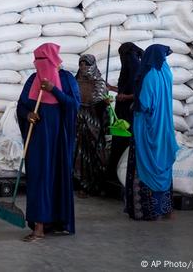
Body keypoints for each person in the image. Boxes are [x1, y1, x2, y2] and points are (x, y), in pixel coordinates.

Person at [17, 43, 80, 242]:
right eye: (37, 61)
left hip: (59, 142)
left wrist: (55, 91)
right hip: (37, 142)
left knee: (57, 178)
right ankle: (39, 226)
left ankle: (56, 221)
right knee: (39, 179)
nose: (38, 65)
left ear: (52, 61)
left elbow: (74, 106)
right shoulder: (32, 80)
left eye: (42, 61)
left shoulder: (66, 79)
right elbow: (21, 106)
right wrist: (29, 115)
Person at [124, 45, 178, 221]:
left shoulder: (150, 75)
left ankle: (148, 211)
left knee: (145, 165)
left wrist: (134, 105)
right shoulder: (166, 73)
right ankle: (165, 210)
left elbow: (145, 104)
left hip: (148, 129)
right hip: (164, 128)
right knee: (163, 166)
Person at [74, 54, 110, 197]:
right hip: (78, 124)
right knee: (80, 155)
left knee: (97, 154)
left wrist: (103, 104)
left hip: (94, 126)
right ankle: (82, 186)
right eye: (81, 64)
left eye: (86, 64)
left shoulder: (100, 83)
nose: (83, 67)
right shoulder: (75, 81)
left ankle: (98, 185)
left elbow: (103, 107)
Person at [106, 43, 143, 182]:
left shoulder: (137, 69)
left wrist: (124, 97)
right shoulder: (127, 69)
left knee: (125, 143)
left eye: (124, 55)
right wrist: (113, 89)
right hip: (121, 112)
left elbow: (140, 94)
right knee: (118, 142)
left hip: (130, 112)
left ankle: (121, 175)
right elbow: (125, 88)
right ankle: (113, 175)